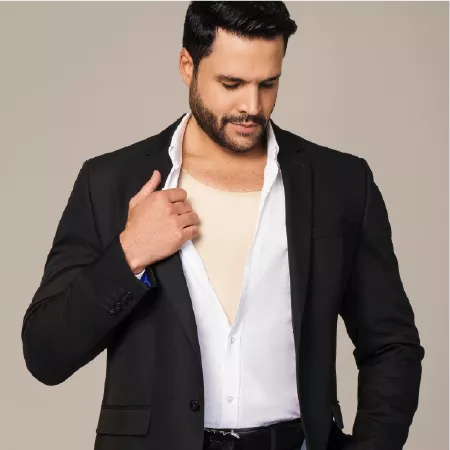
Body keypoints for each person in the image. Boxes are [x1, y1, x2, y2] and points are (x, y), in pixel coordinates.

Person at [21, 1, 424, 449]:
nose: (252, 106)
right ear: (187, 66)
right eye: (231, 84)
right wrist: (129, 253)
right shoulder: (109, 183)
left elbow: (391, 345)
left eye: (268, 84)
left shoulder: (341, 183)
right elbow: (45, 354)